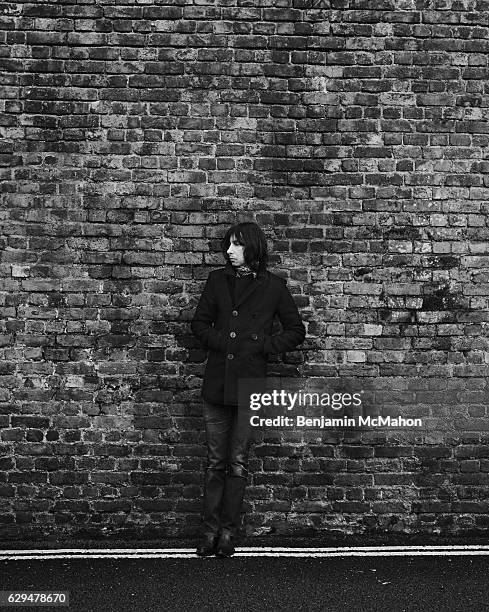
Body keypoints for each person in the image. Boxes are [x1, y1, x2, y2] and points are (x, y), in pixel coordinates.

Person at [191, 221, 306, 557]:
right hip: (217, 383)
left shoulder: (273, 287)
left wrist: (260, 346)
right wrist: (220, 343)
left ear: (253, 248)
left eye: (237, 245)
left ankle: (228, 533)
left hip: (249, 384)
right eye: (228, 244)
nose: (229, 250)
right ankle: (209, 532)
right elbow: (198, 324)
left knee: (237, 462)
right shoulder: (217, 280)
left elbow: (295, 331)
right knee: (215, 462)